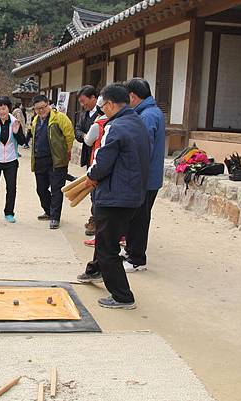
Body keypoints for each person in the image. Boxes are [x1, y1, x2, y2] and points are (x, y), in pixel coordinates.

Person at [78, 83, 150, 309]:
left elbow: (102, 162)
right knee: (106, 239)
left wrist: (91, 176)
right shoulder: (138, 122)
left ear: (109, 104)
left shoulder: (115, 126)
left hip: (115, 196)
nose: (103, 111)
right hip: (133, 194)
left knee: (107, 247)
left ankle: (122, 296)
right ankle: (96, 270)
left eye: (103, 106)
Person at [122, 78, 166, 273]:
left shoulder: (147, 116)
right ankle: (131, 250)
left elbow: (142, 149)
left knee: (139, 218)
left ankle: (136, 258)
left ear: (133, 96)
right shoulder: (152, 112)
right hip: (148, 176)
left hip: (144, 178)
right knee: (135, 216)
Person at [30, 94, 74, 229]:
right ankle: (48, 211)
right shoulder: (35, 121)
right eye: (37, 109)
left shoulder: (59, 118)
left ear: (48, 105)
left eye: (43, 107)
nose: (41, 110)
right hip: (40, 160)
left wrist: (65, 152)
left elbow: (69, 135)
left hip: (56, 160)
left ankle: (55, 217)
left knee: (56, 189)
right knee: (41, 189)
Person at [75, 86, 103, 237]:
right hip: (89, 156)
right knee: (92, 191)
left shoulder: (103, 115)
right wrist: (85, 136)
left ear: (94, 98)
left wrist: (90, 138)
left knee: (98, 192)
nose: (82, 105)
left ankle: (97, 221)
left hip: (99, 157)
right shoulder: (84, 114)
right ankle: (95, 218)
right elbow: (77, 130)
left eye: (84, 101)